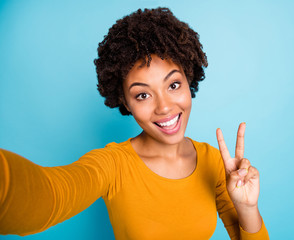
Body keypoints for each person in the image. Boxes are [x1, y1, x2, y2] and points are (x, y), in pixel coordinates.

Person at [0, 7, 269, 240]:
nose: (164, 107)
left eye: (173, 85)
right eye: (143, 95)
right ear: (126, 102)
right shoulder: (112, 164)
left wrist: (247, 208)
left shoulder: (214, 162)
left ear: (189, 80)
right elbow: (51, 195)